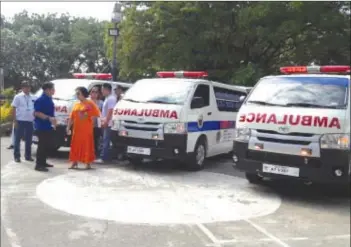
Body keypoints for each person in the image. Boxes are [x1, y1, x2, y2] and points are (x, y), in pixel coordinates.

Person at [66, 87, 100, 169]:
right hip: (77, 129)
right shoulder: (76, 104)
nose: (77, 95)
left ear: (83, 94)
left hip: (86, 130)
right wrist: (68, 127)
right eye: (76, 94)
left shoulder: (90, 103)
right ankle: (74, 162)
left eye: (78, 93)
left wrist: (87, 115)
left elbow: (97, 114)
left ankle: (87, 163)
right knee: (75, 145)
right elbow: (72, 117)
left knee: (87, 145)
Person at [33, 82, 57, 172]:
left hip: (48, 126)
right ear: (47, 90)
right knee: (42, 146)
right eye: (52, 89)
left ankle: (43, 162)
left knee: (46, 145)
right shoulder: (40, 99)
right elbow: (37, 113)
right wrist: (48, 118)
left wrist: (53, 122)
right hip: (41, 126)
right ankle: (38, 165)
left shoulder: (49, 98)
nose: (54, 91)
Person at [11, 81, 35, 163]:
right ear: (22, 88)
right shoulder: (18, 97)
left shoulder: (33, 97)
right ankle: (17, 156)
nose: (27, 88)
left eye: (28, 87)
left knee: (29, 140)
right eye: (25, 87)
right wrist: (14, 121)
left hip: (30, 121)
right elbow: (13, 108)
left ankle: (28, 156)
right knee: (17, 139)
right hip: (20, 121)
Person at [97, 83, 117, 163]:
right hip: (106, 122)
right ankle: (106, 156)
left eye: (102, 89)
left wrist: (106, 121)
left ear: (106, 89)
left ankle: (104, 157)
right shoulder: (107, 98)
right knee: (105, 140)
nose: (101, 91)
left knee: (106, 140)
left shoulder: (111, 99)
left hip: (108, 123)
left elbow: (110, 111)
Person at [89, 86, 103, 156]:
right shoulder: (87, 101)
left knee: (95, 139)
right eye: (93, 91)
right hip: (87, 124)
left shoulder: (101, 103)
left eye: (96, 92)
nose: (94, 93)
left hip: (97, 125)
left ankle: (94, 153)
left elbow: (102, 114)